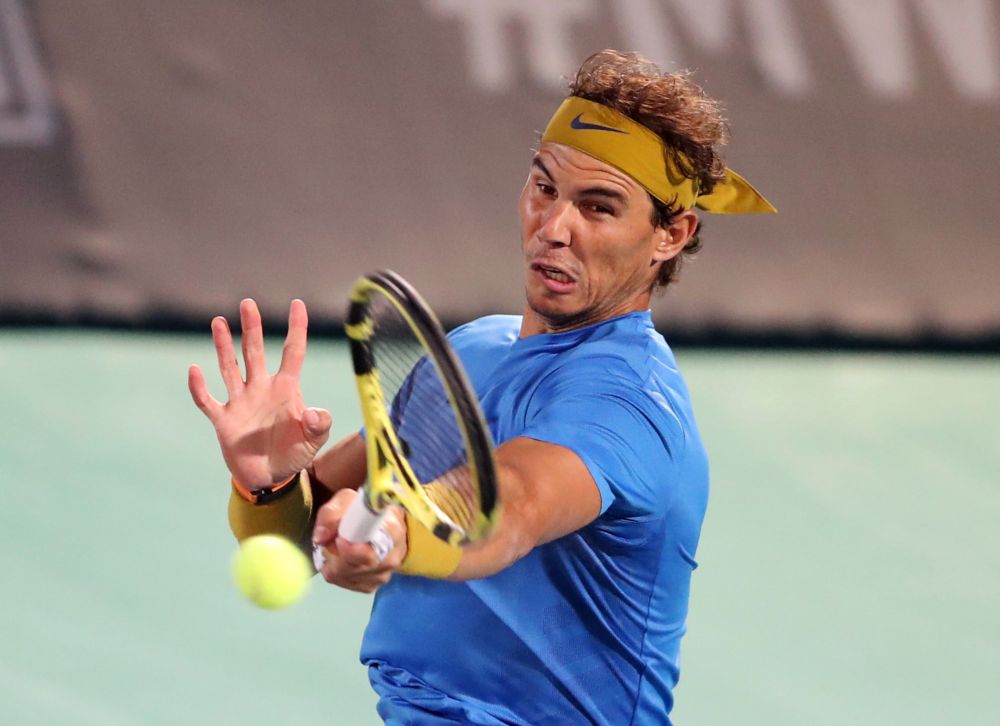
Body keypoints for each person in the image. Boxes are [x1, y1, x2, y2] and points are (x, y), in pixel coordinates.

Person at [189, 50, 774, 725]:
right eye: (544, 189)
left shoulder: (626, 404)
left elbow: (511, 507)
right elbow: (303, 533)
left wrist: (393, 536)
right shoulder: (471, 352)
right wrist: (268, 484)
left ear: (671, 235)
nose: (554, 228)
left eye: (599, 207)